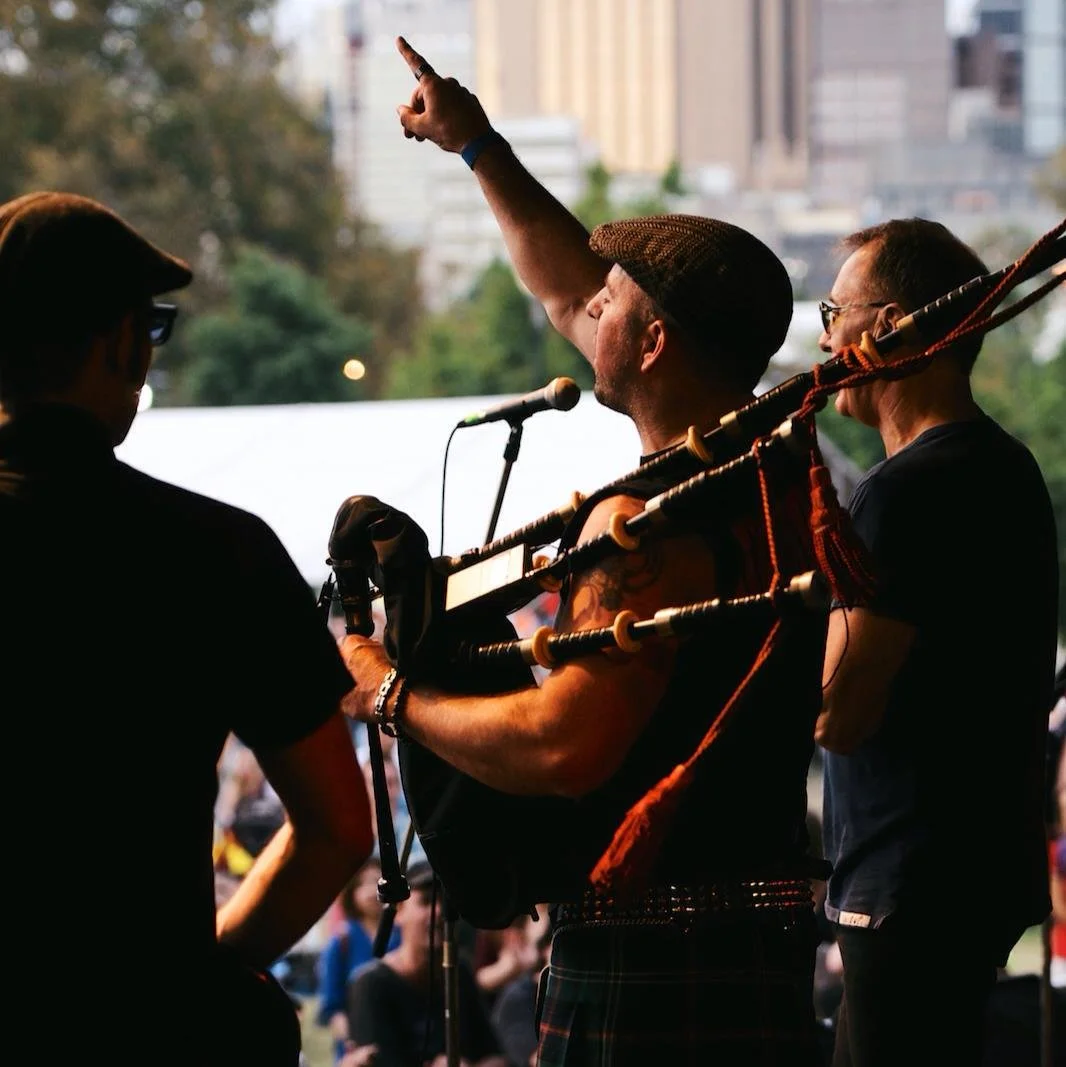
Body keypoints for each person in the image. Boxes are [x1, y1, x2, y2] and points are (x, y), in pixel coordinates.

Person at [339, 38, 832, 1066]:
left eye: (608, 306)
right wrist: (474, 144)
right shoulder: (766, 475)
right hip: (746, 938)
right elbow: (569, 285)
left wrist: (389, 693)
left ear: (652, 343)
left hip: (654, 960)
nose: (579, 312)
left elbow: (568, 745)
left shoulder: (652, 522)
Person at [0, 191, 375, 1065]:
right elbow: (337, 825)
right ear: (120, 342)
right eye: (151, 328)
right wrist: (206, 966)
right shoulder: (219, 553)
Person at [814, 218, 1060, 1067]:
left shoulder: (901, 495)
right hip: (968, 882)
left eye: (833, 311)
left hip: (905, 888)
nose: (824, 337)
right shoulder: (1006, 467)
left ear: (887, 327)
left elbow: (836, 714)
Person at [344, 861, 507, 1067]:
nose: (438, 911)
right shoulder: (372, 985)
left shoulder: (459, 972)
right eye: (426, 901)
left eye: (444, 901)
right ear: (399, 911)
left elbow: (496, 1057)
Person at [317, 856, 402, 1064]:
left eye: (378, 881)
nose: (371, 891)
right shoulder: (342, 942)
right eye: (363, 884)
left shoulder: (405, 935)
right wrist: (353, 1042)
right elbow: (332, 1006)